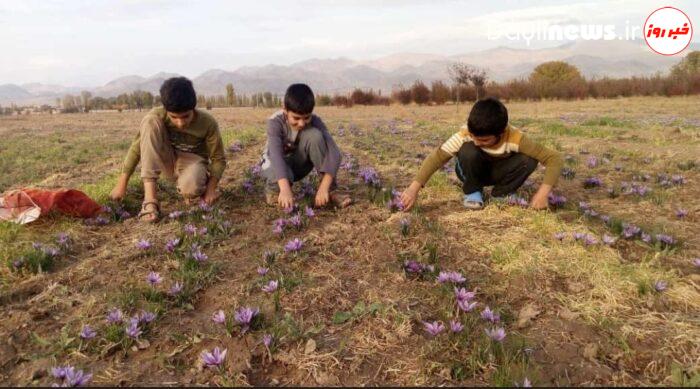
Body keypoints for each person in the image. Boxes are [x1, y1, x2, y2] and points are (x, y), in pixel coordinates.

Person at [400, 97, 563, 211]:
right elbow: (436, 158)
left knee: (529, 159)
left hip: (498, 171)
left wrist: (542, 194)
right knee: (468, 149)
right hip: (471, 170)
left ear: (501, 132)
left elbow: (554, 158)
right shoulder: (465, 135)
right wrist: (413, 189)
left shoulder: (515, 137)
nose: (478, 142)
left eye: (484, 140)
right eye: (474, 136)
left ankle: (501, 194)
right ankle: (473, 191)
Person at [110, 77, 226, 222]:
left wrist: (210, 190)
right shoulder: (158, 116)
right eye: (174, 117)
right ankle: (150, 200)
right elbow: (136, 149)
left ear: (193, 108)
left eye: (185, 116)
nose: (180, 123)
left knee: (191, 188)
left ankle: (199, 185)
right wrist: (122, 184)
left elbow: (218, 159)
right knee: (149, 121)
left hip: (193, 162)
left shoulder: (207, 123)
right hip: (167, 159)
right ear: (166, 110)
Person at [260, 83, 351, 209]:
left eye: (306, 117)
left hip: (298, 164)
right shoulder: (275, 122)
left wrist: (324, 187)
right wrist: (285, 189)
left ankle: (331, 190)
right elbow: (275, 156)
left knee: (315, 135)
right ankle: (274, 191)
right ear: (285, 110)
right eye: (296, 118)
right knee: (280, 179)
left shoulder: (315, 121)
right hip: (276, 165)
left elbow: (334, 152)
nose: (302, 123)